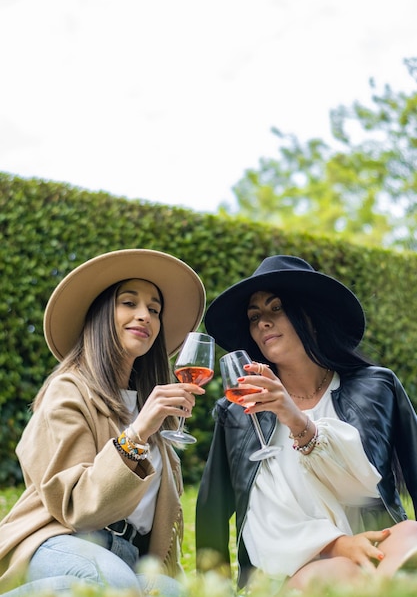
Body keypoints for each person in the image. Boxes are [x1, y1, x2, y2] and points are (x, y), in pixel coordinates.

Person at [196, 254, 417, 592]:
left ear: (310, 316)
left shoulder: (377, 388)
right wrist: (214, 588)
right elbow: (220, 514)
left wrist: (297, 420)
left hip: (375, 549)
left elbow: (368, 482)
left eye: (276, 309)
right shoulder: (240, 412)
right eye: (254, 317)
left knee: (410, 535)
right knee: (340, 572)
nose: (262, 323)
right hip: (292, 571)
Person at [0, 248, 207, 596]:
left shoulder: (148, 406)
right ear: (100, 316)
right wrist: (138, 432)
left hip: (131, 557)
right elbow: (79, 508)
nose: (144, 315)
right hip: (59, 540)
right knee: (111, 581)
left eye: (154, 310)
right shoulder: (68, 391)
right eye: (129, 303)